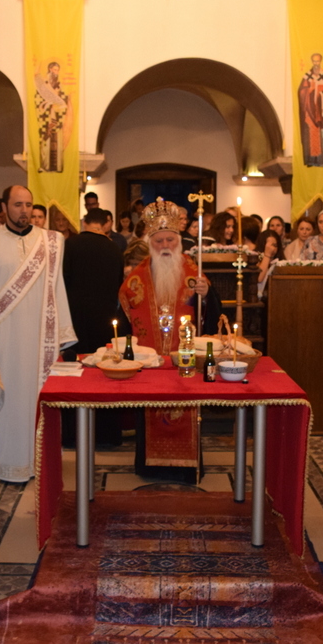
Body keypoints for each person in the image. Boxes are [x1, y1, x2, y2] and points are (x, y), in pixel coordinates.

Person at [118, 198, 222, 482]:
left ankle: (185, 469)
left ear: (179, 241)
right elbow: (123, 313)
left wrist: (206, 296)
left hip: (184, 362)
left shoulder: (193, 273)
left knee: (186, 410)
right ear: (150, 242)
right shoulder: (137, 277)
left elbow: (211, 316)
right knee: (150, 412)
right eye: (159, 240)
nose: (165, 245)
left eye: (170, 240)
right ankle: (150, 467)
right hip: (150, 364)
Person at [0, 185, 76, 483]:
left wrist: (62, 333)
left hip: (40, 340)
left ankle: (38, 463)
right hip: (3, 341)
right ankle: (4, 464)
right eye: (18, 204)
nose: (24, 210)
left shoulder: (51, 242)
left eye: (28, 205)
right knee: (7, 400)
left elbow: (58, 288)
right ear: (4, 207)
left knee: (37, 399)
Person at [64, 207, 124, 358]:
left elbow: (64, 278)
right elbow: (119, 283)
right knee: (101, 357)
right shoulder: (114, 248)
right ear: (105, 225)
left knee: (78, 358)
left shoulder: (70, 244)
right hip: (104, 314)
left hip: (76, 313)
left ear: (84, 222)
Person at [35, 62, 72, 172]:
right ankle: (45, 165)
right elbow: (38, 98)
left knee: (57, 140)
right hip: (45, 116)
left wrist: (63, 100)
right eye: (54, 70)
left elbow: (63, 99)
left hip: (57, 115)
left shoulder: (59, 85)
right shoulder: (43, 83)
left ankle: (58, 166)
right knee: (46, 139)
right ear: (50, 69)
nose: (56, 72)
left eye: (57, 70)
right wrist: (46, 105)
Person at [298, 52, 323, 167]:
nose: (316, 63)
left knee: (322, 133)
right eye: (314, 61)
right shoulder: (307, 76)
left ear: (320, 61)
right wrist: (310, 89)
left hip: (321, 110)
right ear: (312, 62)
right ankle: (311, 159)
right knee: (311, 133)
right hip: (310, 110)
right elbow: (301, 92)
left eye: (318, 61)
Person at [255, 228, 285, 299]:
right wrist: (267, 255)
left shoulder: (281, 262)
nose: (272, 249)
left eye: (275, 245)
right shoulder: (255, 259)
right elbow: (259, 278)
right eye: (269, 246)